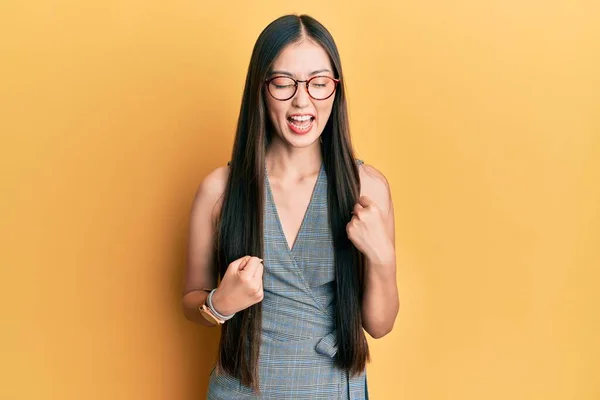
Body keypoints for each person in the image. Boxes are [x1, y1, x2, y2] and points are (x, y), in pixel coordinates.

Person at [182, 14, 399, 400]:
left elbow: (379, 326)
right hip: (241, 390)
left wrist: (382, 260)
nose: (303, 101)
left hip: (332, 389)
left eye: (318, 83)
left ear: (336, 89)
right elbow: (190, 301)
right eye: (284, 83)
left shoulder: (367, 188)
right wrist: (220, 304)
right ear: (261, 89)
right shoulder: (219, 190)